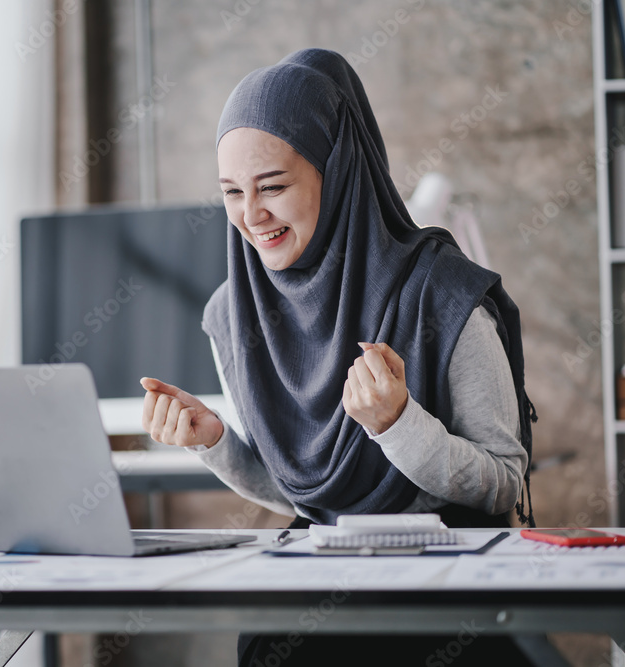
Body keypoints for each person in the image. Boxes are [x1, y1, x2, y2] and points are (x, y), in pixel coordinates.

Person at [140, 48, 539, 665]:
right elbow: (307, 498)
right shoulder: (232, 314)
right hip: (319, 572)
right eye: (232, 193)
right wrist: (213, 440)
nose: (252, 216)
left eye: (273, 186)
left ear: (340, 170)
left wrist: (399, 426)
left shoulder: (444, 294)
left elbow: (501, 483)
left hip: (447, 581)